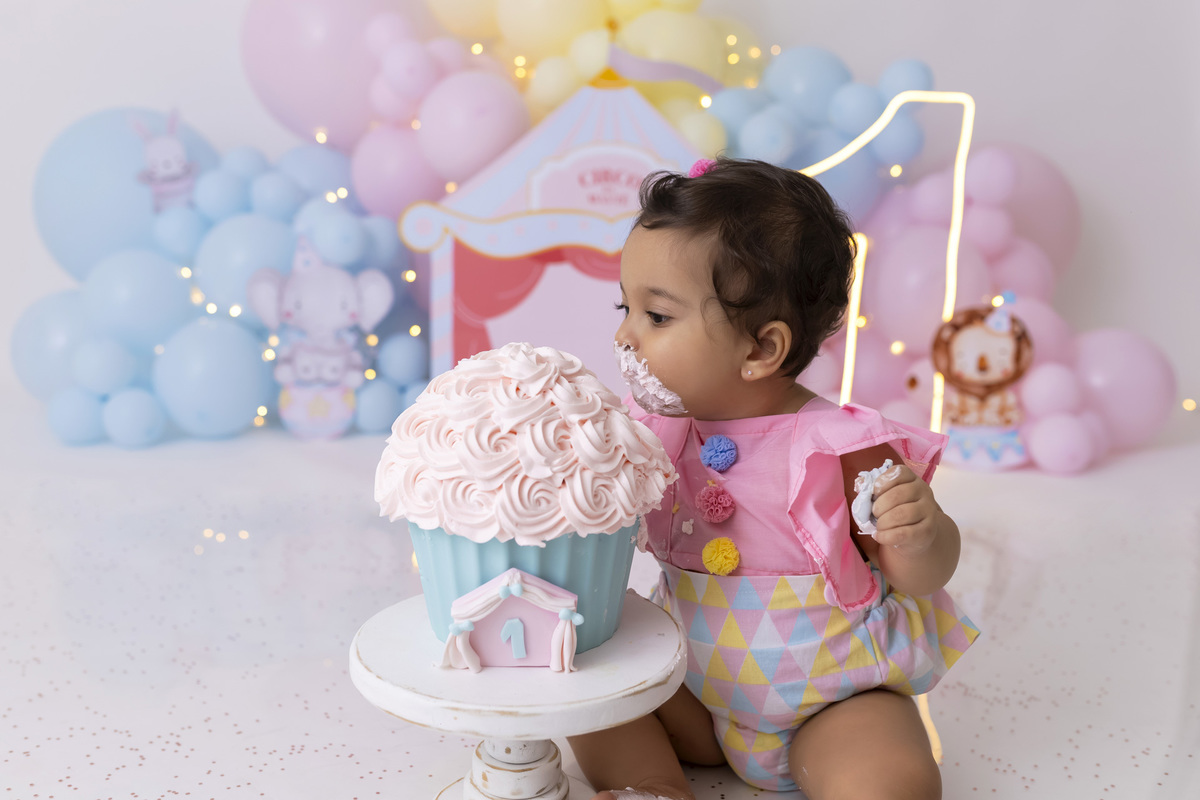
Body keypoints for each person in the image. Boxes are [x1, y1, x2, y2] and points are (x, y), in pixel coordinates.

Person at [569, 157, 979, 800]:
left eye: (657, 316)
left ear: (762, 349)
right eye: (627, 307)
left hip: (831, 702)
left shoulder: (837, 446)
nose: (625, 336)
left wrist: (921, 535)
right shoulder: (655, 436)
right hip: (694, 698)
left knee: (888, 778)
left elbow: (920, 576)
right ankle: (649, 785)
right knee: (589, 690)